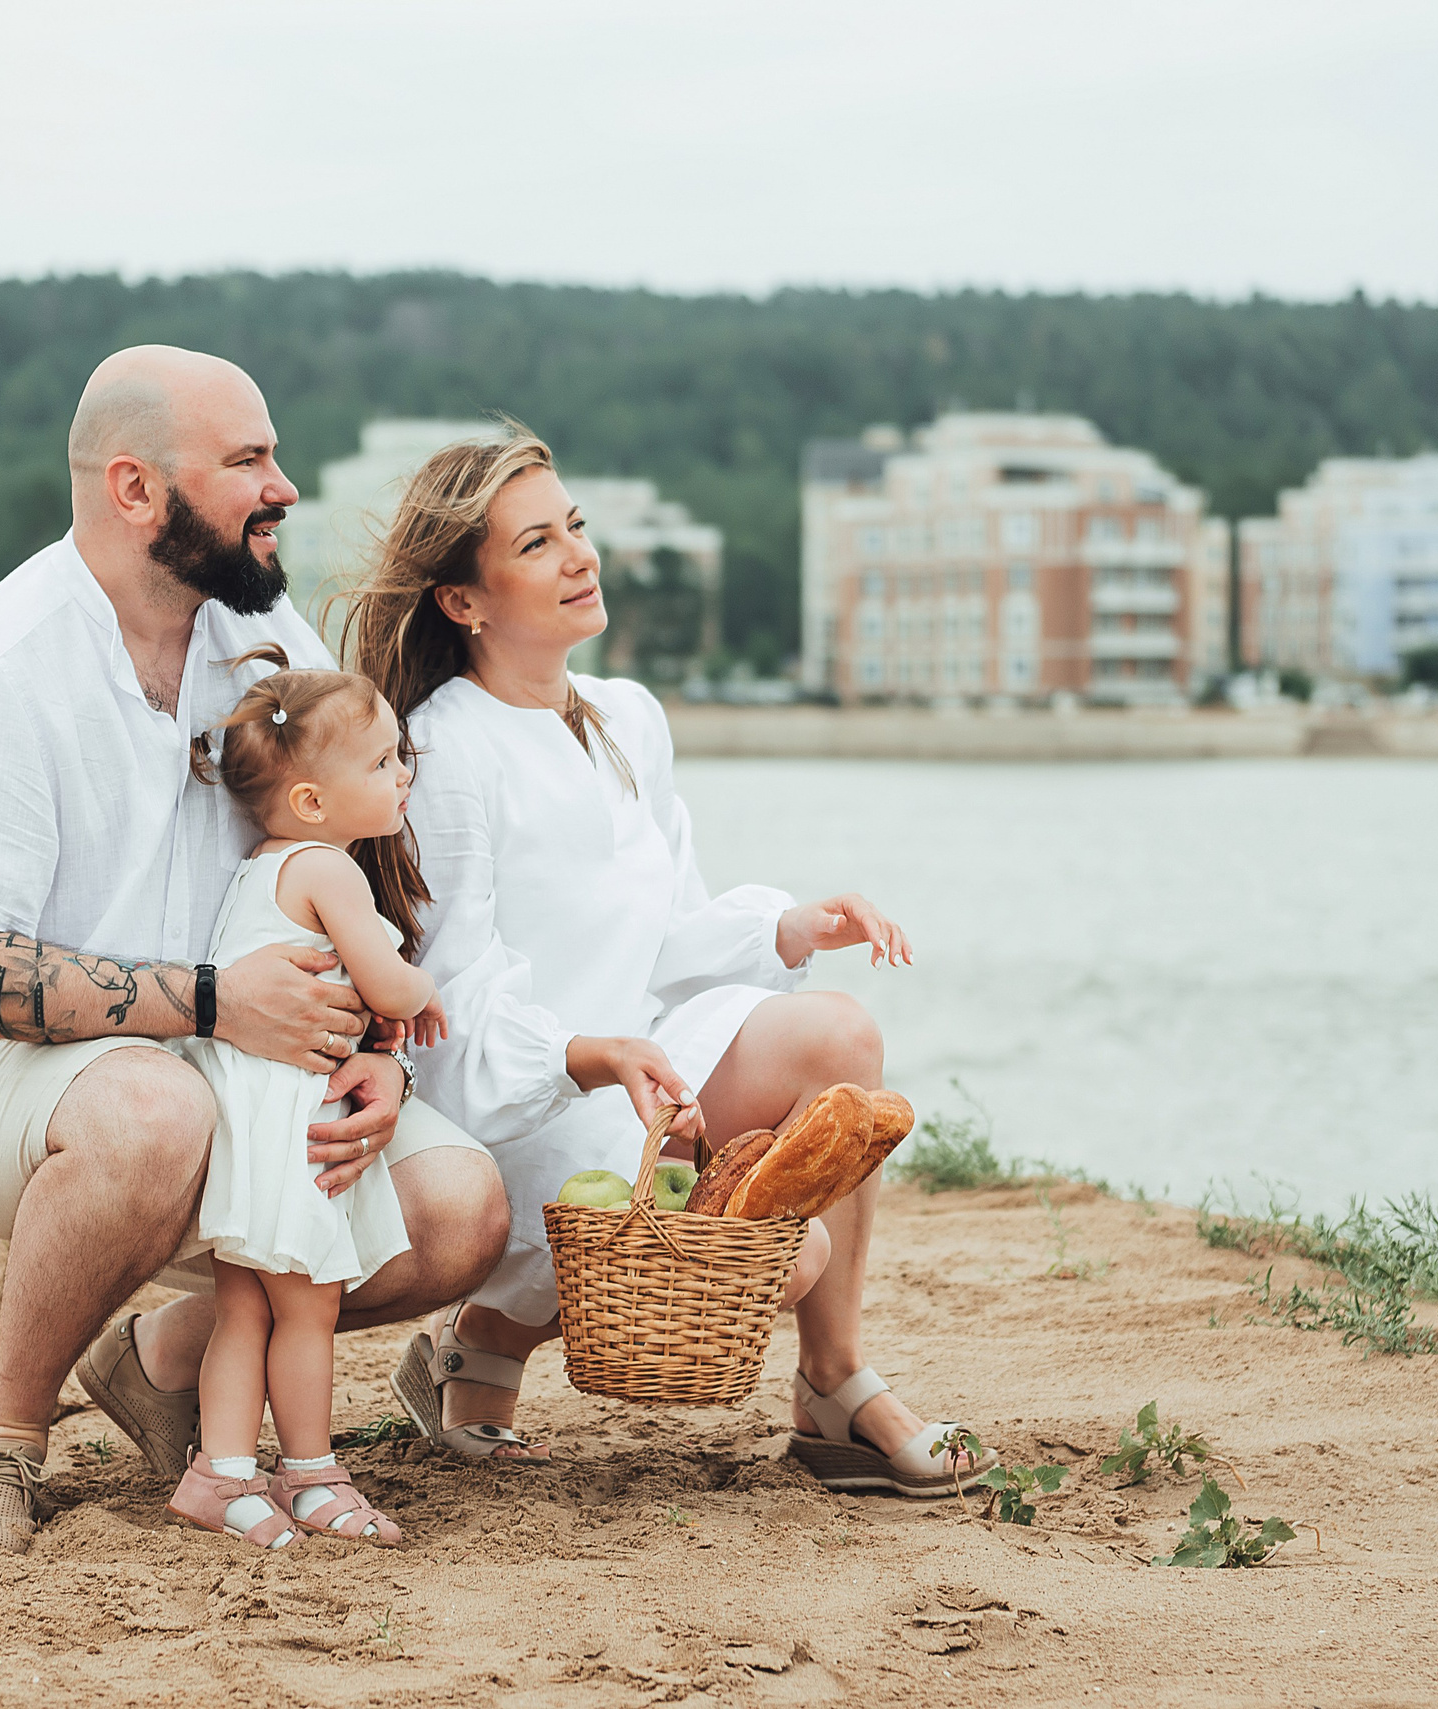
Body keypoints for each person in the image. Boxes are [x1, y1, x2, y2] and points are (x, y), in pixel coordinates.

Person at [0, 345, 505, 1554]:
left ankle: (158, 1365)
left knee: (458, 1210)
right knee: (156, 1113)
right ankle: (4, 1437)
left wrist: (378, 1051)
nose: (283, 487)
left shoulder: (266, 648)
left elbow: (347, 864)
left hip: (232, 1055)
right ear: (135, 487)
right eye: (248, 460)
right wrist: (214, 1002)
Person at [340, 427, 1000, 1494]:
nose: (580, 555)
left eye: (576, 527)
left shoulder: (628, 718)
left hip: (643, 1061)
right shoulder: (442, 748)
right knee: (797, 1254)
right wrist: (593, 1055)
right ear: (463, 600)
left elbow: (664, 935)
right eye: (537, 543)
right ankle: (490, 1334)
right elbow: (452, 1003)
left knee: (842, 1035)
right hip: (525, 1099)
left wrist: (789, 928)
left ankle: (832, 1385)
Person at [168, 650, 444, 1549]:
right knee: (308, 1306)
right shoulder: (330, 869)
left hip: (246, 1114)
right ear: (314, 803)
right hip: (293, 1119)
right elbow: (389, 983)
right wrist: (422, 989)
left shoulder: (263, 865)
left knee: (246, 1305)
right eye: (382, 761)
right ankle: (312, 1472)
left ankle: (220, 1473)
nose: (402, 774)